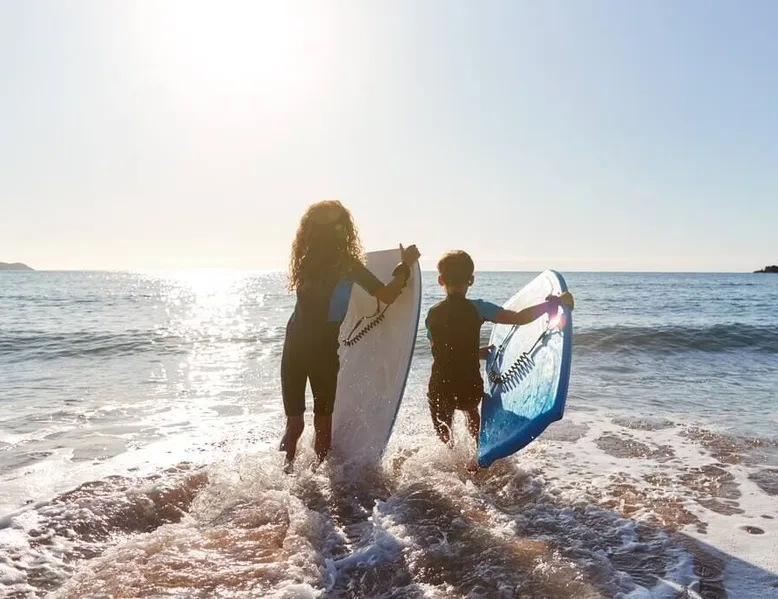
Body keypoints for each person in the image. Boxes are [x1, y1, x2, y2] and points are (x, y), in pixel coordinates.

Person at [280, 200, 420, 470]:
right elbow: (387, 295)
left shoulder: (305, 261)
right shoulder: (347, 265)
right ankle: (319, 477)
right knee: (323, 425)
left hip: (293, 347)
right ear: (344, 230)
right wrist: (404, 266)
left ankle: (285, 475)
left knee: (294, 425)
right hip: (322, 352)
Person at [425, 250, 574, 456]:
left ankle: (448, 459)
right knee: (471, 412)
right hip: (468, 384)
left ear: (440, 280)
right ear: (471, 280)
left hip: (440, 385)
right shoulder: (478, 308)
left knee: (444, 432)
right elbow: (519, 318)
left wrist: (475, 352)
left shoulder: (432, 313)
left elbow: (441, 350)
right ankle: (478, 456)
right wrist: (551, 305)